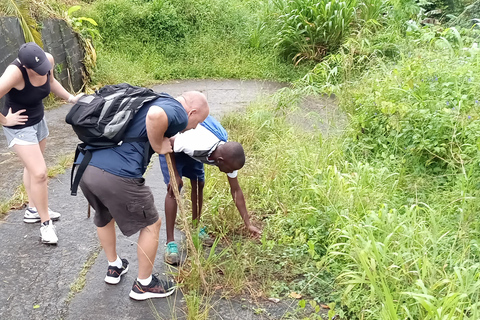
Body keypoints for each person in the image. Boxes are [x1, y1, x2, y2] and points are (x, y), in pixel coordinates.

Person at [78, 90, 209, 300]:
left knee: (103, 214)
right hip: (116, 175)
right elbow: (156, 115)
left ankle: (114, 267)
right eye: (197, 121)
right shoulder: (176, 109)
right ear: (192, 112)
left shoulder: (148, 99)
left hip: (86, 168)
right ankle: (144, 284)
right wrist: (158, 146)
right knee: (151, 224)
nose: (194, 126)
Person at [0, 42, 83, 244]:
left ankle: (33, 209)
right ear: (26, 67)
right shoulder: (14, 73)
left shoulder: (47, 61)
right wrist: (5, 120)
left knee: (33, 167)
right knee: (39, 172)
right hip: (19, 126)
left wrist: (71, 98)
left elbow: (52, 82)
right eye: (37, 70)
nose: (43, 71)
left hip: (38, 120)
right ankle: (46, 225)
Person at [159, 115, 261, 265]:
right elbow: (168, 142)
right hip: (171, 145)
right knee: (174, 188)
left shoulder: (227, 155)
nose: (230, 172)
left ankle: (196, 227)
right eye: (229, 169)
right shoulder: (197, 144)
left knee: (199, 183)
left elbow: (236, 191)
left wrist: (248, 223)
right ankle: (170, 243)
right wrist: (175, 175)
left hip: (193, 149)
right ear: (219, 161)